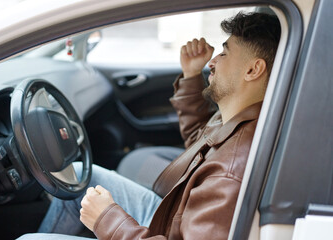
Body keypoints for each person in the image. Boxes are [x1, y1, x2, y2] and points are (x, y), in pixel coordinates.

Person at [18, 11, 281, 240]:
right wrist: (190, 76)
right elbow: (199, 140)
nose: (212, 61)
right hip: (170, 218)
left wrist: (108, 220)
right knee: (78, 174)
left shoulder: (230, 172)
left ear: (252, 70)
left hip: (165, 232)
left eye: (225, 53)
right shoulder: (238, 117)